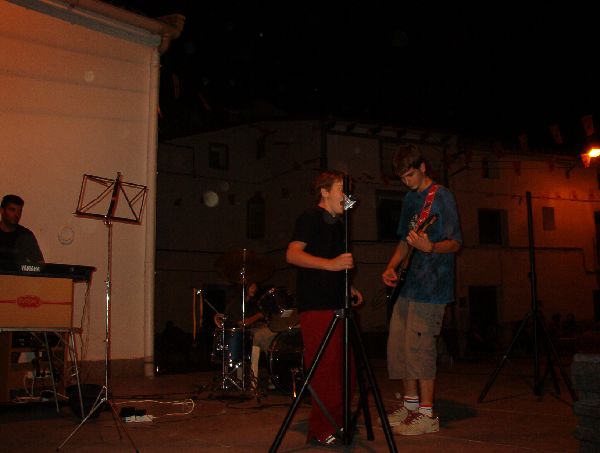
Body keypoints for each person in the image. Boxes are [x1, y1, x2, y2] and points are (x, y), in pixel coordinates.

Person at [381, 145, 461, 436]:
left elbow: (455, 243)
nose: (407, 182)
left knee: (421, 348)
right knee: (400, 346)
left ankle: (427, 414)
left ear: (423, 167)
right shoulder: (409, 199)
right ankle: (411, 405)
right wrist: (391, 267)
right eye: (402, 177)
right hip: (408, 284)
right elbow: (405, 240)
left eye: (410, 175)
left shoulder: (443, 197)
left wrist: (431, 247)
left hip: (432, 287)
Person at [286, 169, 363, 446]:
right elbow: (292, 254)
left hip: (337, 303)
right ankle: (321, 429)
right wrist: (331, 265)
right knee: (325, 370)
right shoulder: (310, 217)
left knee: (346, 370)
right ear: (325, 191)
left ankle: (338, 422)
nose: (346, 195)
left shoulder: (339, 225)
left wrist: (348, 287)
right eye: (341, 188)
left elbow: (336, 265)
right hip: (317, 305)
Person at [214, 282, 277, 388]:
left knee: (270, 336)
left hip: (251, 335)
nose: (254, 288)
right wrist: (258, 316)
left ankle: (273, 375)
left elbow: (254, 322)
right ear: (245, 288)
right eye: (251, 286)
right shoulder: (236, 303)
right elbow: (241, 323)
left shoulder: (253, 303)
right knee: (262, 338)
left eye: (255, 286)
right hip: (236, 338)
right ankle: (264, 376)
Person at [0, 194, 44, 263]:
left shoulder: (26, 236)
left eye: (19, 211)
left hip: (17, 270)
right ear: (2, 210)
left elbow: (39, 263)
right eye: (12, 210)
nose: (16, 214)